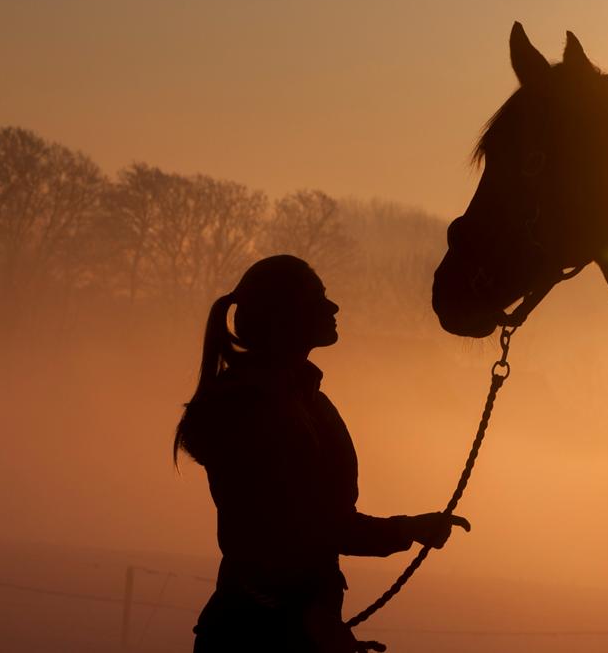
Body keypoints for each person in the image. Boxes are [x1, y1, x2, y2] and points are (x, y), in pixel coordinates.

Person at [174, 255, 469, 652]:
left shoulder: (301, 399)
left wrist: (407, 530)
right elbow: (285, 533)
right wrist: (303, 624)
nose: (333, 308)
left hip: (271, 625)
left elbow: (317, 524)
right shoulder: (254, 408)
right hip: (261, 633)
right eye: (318, 298)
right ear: (284, 318)